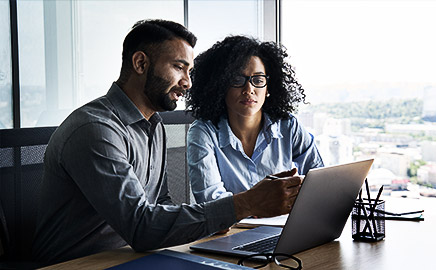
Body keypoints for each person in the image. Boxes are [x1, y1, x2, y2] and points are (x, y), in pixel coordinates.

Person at [31, 20, 302, 265]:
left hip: (135, 257)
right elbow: (141, 227)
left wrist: (215, 218)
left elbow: (161, 203)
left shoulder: (154, 125)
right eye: (178, 67)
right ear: (140, 64)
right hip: (81, 264)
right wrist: (243, 205)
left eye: (190, 71)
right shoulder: (95, 129)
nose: (187, 83)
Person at [186, 36, 324, 203]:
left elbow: (320, 180)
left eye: (258, 80)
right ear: (221, 86)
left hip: (284, 225)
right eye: (237, 80)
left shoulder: (288, 126)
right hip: (232, 229)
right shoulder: (203, 132)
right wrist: (255, 204)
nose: (249, 89)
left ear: (268, 88)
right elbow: (211, 202)